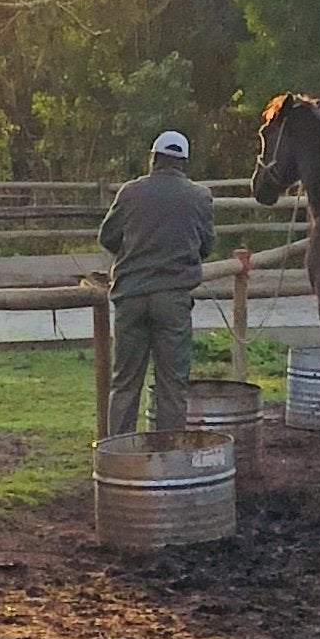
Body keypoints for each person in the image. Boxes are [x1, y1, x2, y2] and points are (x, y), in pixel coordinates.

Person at [97, 129, 217, 439]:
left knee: (124, 383)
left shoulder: (129, 192)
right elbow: (206, 246)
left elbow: (107, 237)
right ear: (183, 163)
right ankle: (168, 455)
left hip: (131, 296)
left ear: (154, 158)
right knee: (171, 384)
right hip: (173, 300)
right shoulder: (200, 196)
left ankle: (120, 455)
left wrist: (133, 254)